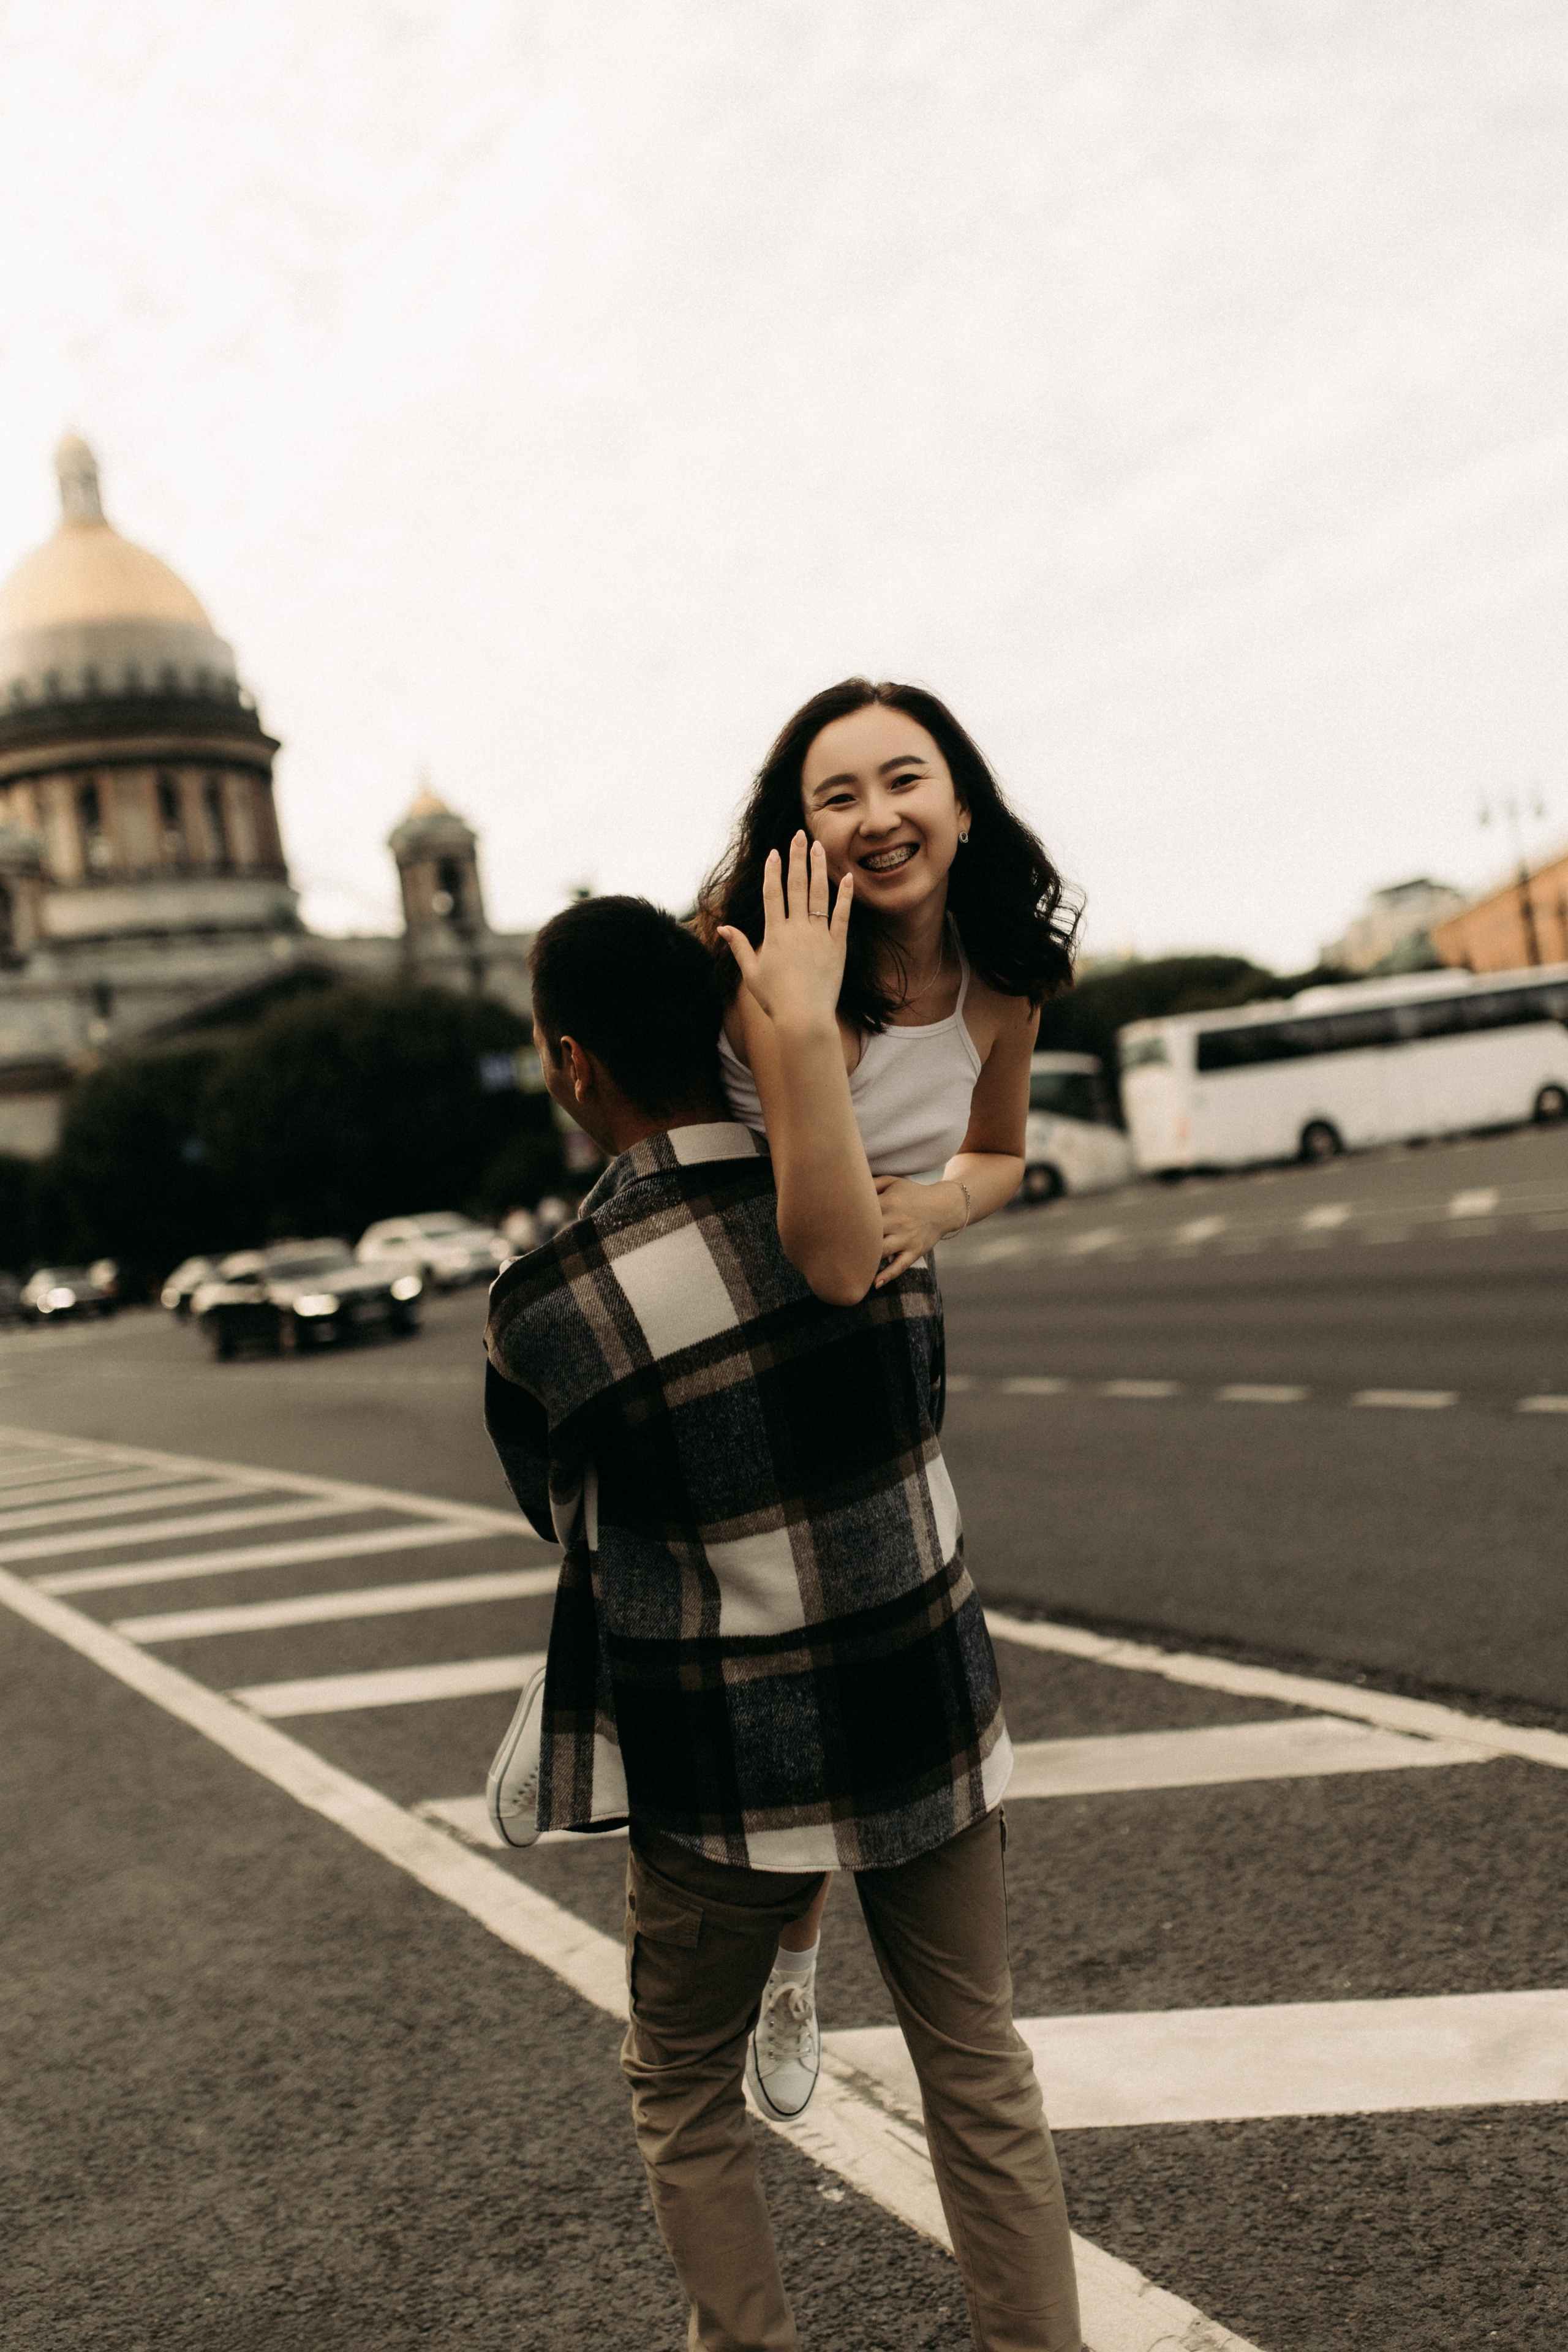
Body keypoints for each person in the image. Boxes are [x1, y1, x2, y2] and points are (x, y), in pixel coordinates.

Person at [483, 888, 1081, 2352]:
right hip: (925, 1703)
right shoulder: (870, 1205)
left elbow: (555, 1510)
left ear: (574, 1067)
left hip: (726, 1772)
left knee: (679, 2082)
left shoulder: (549, 1302)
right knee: (976, 2064)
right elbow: (915, 1407)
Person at [697, 677, 1078, 2120]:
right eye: (833, 798)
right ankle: (789, 1959)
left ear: (962, 802)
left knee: (861, 1668)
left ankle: (803, 1961)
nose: (875, 817)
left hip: (870, 1343)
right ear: (795, 839)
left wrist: (942, 1211)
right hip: (739, 1345)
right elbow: (822, 1252)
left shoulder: (1003, 976)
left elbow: (998, 1156)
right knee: (781, 1673)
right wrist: (793, 1022)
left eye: (902, 779)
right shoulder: (768, 976)